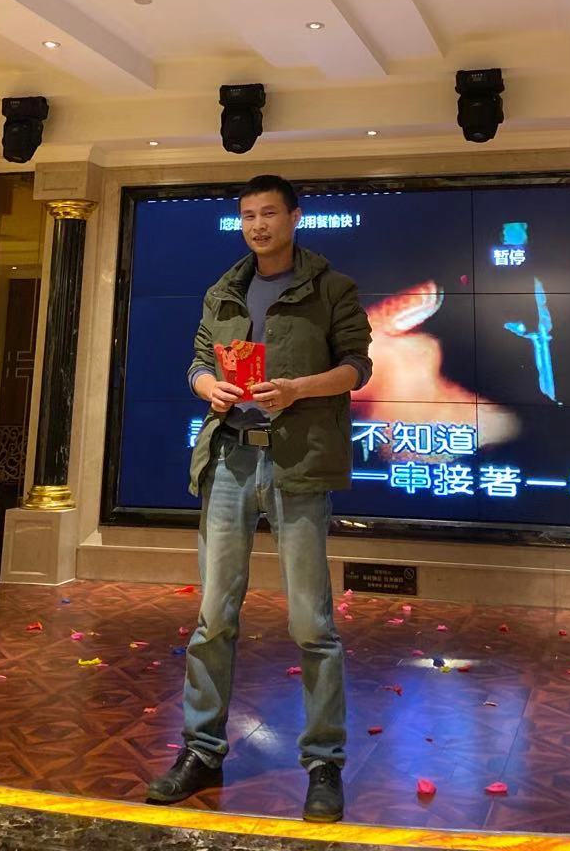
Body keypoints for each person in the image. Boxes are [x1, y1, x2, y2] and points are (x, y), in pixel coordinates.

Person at [146, 174, 372, 824]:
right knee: (214, 616)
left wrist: (299, 388)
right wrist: (207, 387)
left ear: (295, 217)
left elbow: (358, 367)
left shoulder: (331, 288)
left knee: (311, 622)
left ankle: (323, 761)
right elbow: (197, 362)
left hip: (297, 462)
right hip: (230, 459)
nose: (257, 225)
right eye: (247, 216)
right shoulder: (225, 289)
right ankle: (201, 750)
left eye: (269, 213)